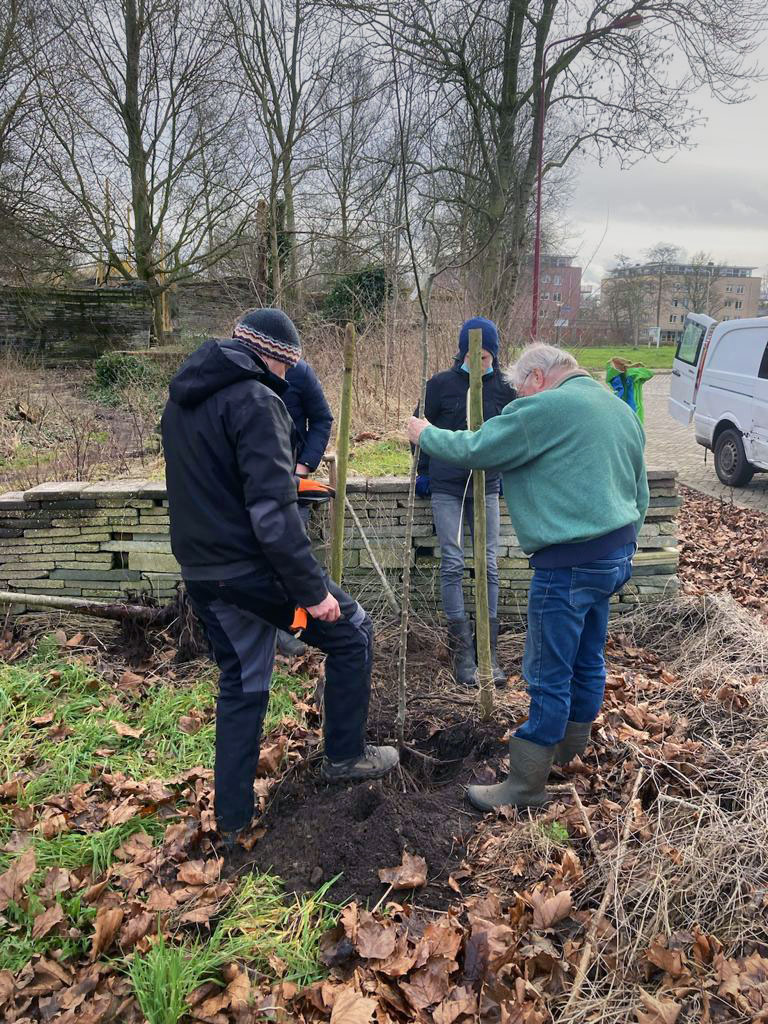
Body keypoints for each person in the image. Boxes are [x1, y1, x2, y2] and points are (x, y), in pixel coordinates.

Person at [161, 308, 398, 849]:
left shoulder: (182, 400)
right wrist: (313, 593)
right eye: (289, 365)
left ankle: (233, 820)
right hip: (251, 572)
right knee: (352, 632)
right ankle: (344, 757)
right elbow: (271, 515)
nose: (290, 376)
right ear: (275, 356)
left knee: (242, 686)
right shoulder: (256, 400)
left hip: (203, 572)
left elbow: (212, 487)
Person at [408, 343, 648, 812]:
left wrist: (425, 433)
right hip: (615, 554)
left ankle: (526, 784)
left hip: (568, 562)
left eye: (519, 388)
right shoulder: (615, 407)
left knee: (546, 671)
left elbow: (477, 447)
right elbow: (639, 489)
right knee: (588, 655)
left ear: (538, 377)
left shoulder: (544, 408)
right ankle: (569, 749)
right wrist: (625, 545)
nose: (518, 396)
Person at [415, 316, 516, 687]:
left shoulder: (506, 389)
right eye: (477, 355)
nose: (482, 361)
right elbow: (423, 432)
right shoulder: (440, 385)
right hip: (447, 486)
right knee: (453, 561)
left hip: (487, 484)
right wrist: (423, 472)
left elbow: (511, 436)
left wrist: (504, 474)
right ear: (462, 352)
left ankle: (487, 648)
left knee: (488, 563)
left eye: (488, 356)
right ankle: (462, 651)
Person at [275, 356, 334, 656]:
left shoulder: (299, 373)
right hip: (248, 484)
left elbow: (323, 418)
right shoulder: (238, 377)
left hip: (291, 484)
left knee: (291, 553)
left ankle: (288, 631)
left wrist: (304, 466)